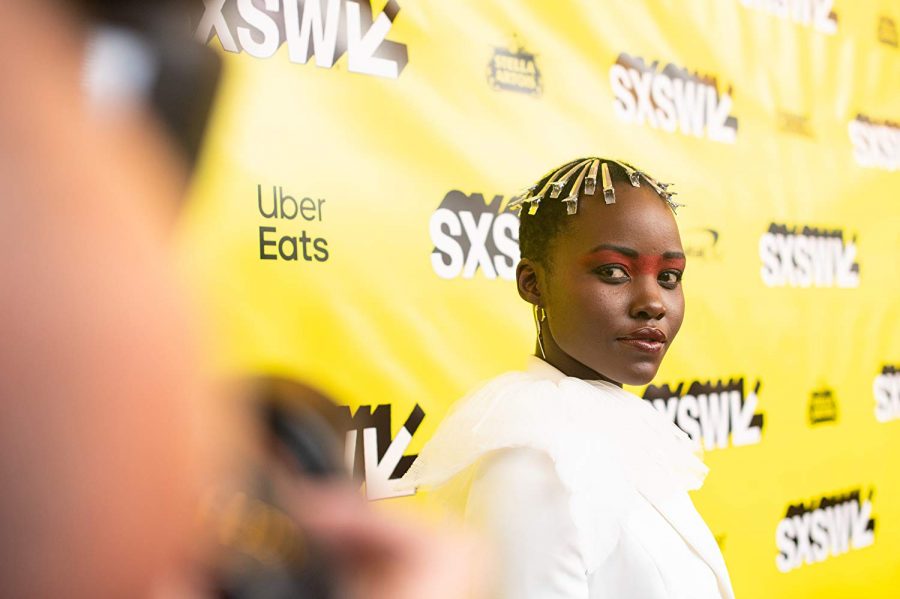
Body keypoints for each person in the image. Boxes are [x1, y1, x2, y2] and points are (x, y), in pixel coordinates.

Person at [400, 158, 737, 598]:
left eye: (669, 276)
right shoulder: (532, 458)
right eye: (613, 272)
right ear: (533, 283)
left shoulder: (619, 425)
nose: (653, 302)